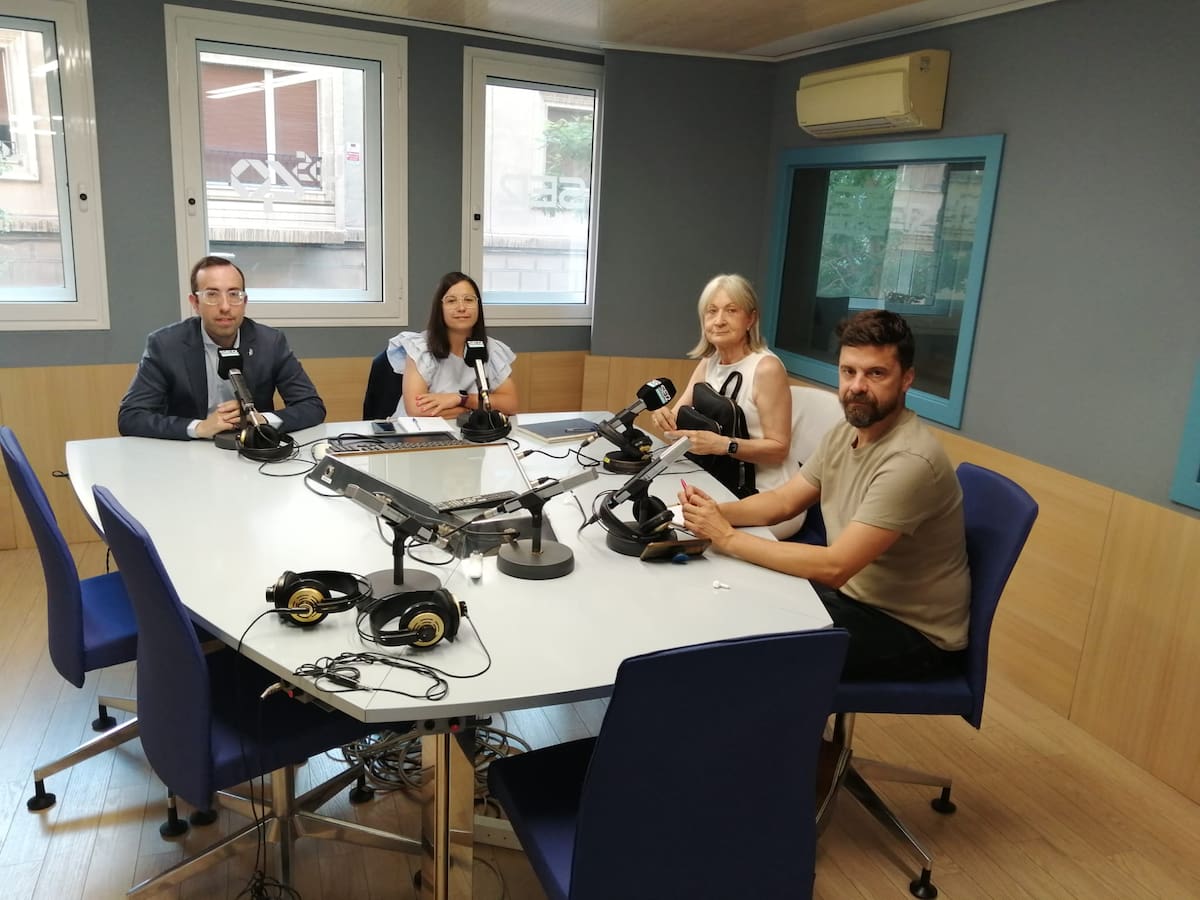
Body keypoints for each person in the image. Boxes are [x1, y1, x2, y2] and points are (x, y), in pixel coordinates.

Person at [679, 309, 970, 681]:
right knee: (732, 598)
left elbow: (835, 567)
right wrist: (712, 512)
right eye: (849, 371)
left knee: (742, 647)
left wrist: (727, 537)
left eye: (876, 373)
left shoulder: (910, 461)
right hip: (853, 597)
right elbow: (784, 502)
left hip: (909, 631)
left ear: (906, 379)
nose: (857, 386)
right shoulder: (846, 432)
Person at [117, 256, 326, 441]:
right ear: (195, 303)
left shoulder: (270, 342)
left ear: (245, 302)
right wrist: (199, 428)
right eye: (212, 295)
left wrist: (261, 419)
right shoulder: (165, 345)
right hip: (189, 454)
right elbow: (131, 417)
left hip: (254, 449)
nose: (225, 306)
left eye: (234, 294)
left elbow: (312, 406)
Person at [648, 273, 794, 531]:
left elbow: (779, 449)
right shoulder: (710, 361)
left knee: (676, 529)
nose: (719, 320)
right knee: (652, 515)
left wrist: (724, 445)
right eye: (711, 311)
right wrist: (664, 417)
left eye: (731, 310)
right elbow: (676, 423)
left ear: (751, 319)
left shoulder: (766, 368)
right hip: (717, 480)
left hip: (764, 494)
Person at [386, 271, 518, 418]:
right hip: (416, 429)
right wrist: (472, 410)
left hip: (464, 430)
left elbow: (510, 404)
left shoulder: (492, 349)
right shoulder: (420, 347)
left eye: (469, 300)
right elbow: (417, 410)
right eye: (451, 301)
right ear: (440, 308)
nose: (461, 308)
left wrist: (461, 399)